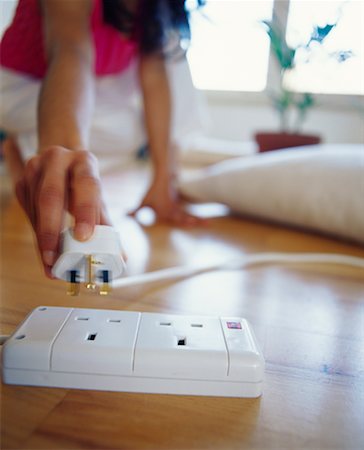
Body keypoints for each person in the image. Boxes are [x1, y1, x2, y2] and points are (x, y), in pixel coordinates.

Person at [0, 0, 205, 278]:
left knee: (174, 75)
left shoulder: (156, 8)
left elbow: (154, 74)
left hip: (94, 84)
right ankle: (24, 146)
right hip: (19, 85)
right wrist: (66, 152)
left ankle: (25, 146)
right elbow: (70, 49)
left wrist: (162, 179)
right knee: (94, 121)